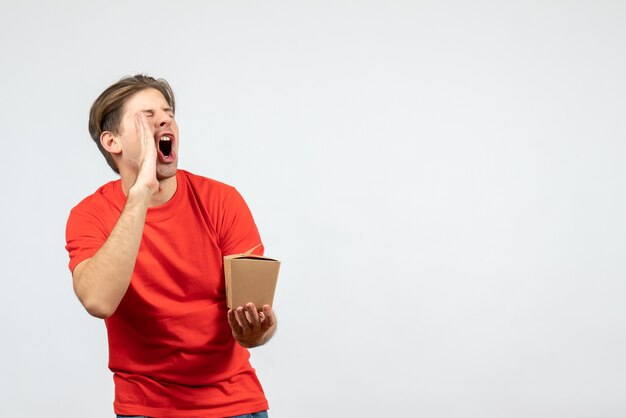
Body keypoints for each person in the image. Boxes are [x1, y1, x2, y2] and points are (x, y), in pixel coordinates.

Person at [65, 75, 276, 418]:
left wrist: (257, 330)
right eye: (146, 115)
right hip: (145, 407)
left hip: (233, 403)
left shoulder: (222, 201)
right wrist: (141, 192)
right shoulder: (91, 215)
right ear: (112, 141)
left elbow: (252, 322)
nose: (164, 119)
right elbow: (98, 301)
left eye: (167, 113)